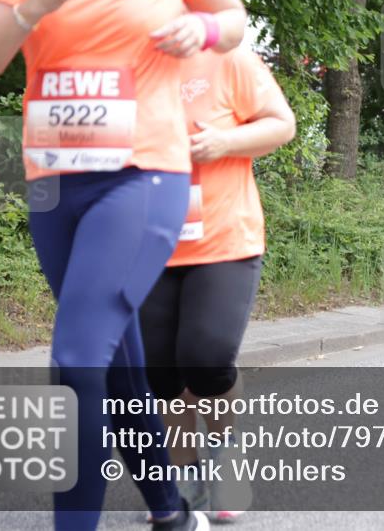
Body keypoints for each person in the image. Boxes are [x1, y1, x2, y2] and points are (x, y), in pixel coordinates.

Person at [0, 0, 247, 529]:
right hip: (55, 185)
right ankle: (172, 510)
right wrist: (34, 7)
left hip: (141, 176)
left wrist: (200, 32)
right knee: (115, 367)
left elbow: (230, 20)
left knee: (76, 358)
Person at [138, 46, 295, 524]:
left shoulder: (228, 60)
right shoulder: (123, 65)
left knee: (205, 360)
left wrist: (225, 141)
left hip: (224, 240)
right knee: (161, 376)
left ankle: (226, 460)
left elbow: (280, 124)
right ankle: (183, 486)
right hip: (146, 245)